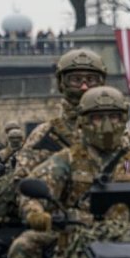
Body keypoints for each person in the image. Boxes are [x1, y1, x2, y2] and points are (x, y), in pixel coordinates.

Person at [11, 86, 130, 258]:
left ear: (123, 119)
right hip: (77, 240)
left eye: (114, 117)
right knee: (24, 244)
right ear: (83, 122)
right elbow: (32, 190)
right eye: (98, 117)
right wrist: (35, 213)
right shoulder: (68, 159)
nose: (107, 125)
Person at [13, 48, 107, 177]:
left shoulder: (121, 135)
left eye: (91, 80)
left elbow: (129, 164)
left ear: (101, 83)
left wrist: (126, 174)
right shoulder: (45, 135)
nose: (84, 87)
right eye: (76, 79)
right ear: (62, 83)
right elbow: (23, 179)